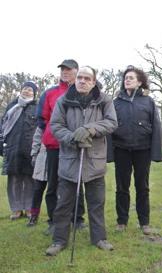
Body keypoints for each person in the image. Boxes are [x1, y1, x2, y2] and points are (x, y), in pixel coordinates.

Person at [45, 66, 118, 256]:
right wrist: (73, 137)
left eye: (87, 78)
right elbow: (56, 125)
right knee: (64, 205)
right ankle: (59, 240)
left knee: (97, 203)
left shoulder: (104, 100)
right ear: (75, 80)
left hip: (95, 161)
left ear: (94, 82)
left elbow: (112, 122)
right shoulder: (64, 101)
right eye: (80, 78)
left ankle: (99, 238)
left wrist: (90, 129)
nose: (82, 81)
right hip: (69, 160)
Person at [112, 66, 162, 234]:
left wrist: (156, 153)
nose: (127, 79)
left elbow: (156, 126)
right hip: (121, 149)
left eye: (131, 77)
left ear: (140, 82)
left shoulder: (148, 101)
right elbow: (110, 128)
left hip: (143, 150)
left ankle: (144, 222)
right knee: (122, 187)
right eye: (126, 77)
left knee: (143, 186)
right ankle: (122, 221)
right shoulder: (116, 102)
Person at [37, 59, 86, 234]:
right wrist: (54, 133)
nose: (65, 72)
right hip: (54, 146)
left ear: (77, 71)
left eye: (69, 69)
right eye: (63, 69)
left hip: (76, 146)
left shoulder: (83, 91)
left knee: (77, 182)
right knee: (53, 184)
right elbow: (42, 119)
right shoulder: (50, 93)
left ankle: (78, 218)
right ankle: (53, 220)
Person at [0, 81, 38, 220]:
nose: (27, 91)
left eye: (30, 90)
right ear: (21, 90)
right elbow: (3, 127)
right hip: (12, 148)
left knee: (29, 179)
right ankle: (16, 209)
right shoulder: (12, 106)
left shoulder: (36, 107)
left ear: (34, 94)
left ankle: (29, 208)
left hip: (29, 149)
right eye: (25, 89)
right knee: (14, 179)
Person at [27, 127, 48, 226]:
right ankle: (34, 216)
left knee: (56, 192)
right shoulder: (42, 124)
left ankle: (55, 218)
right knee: (37, 189)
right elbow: (37, 138)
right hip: (42, 158)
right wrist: (34, 154)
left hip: (58, 159)